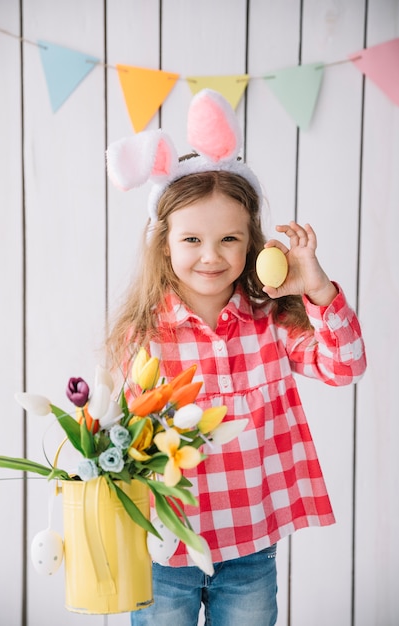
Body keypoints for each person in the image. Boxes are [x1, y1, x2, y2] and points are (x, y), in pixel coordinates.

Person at [105, 90, 366, 626]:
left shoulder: (269, 322)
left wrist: (315, 289)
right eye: (193, 238)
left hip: (249, 546)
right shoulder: (145, 334)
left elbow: (346, 366)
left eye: (229, 238)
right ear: (165, 245)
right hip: (165, 550)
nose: (210, 255)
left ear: (252, 244)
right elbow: (120, 436)